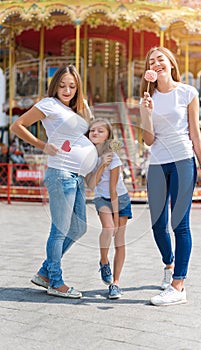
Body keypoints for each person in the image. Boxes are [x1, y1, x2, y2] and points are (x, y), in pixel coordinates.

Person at [10, 64, 98, 299]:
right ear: (54, 85)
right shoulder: (48, 104)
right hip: (60, 174)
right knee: (59, 230)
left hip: (76, 176)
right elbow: (17, 126)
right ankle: (55, 282)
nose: (66, 90)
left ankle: (44, 273)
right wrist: (42, 145)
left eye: (72, 86)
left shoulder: (73, 110)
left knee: (78, 227)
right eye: (62, 85)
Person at [140, 46, 201, 306]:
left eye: (160, 59)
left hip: (184, 160)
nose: (156, 63)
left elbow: (195, 133)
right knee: (157, 224)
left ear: (171, 63)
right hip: (158, 163)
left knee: (180, 224)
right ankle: (169, 264)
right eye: (152, 61)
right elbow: (148, 140)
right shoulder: (147, 96)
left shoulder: (188, 92)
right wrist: (145, 112)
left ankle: (178, 285)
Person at [86, 118, 132, 299]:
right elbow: (91, 185)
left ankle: (116, 283)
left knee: (119, 240)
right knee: (108, 229)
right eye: (92, 131)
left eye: (100, 131)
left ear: (108, 137)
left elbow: (113, 190)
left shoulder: (114, 158)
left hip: (119, 199)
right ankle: (104, 261)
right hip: (101, 198)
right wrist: (101, 165)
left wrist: (115, 214)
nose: (95, 133)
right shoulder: (90, 158)